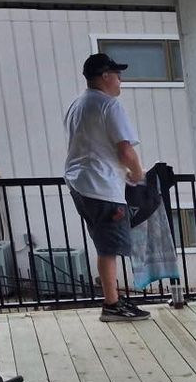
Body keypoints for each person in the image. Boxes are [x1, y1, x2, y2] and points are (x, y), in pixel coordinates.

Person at [63, 52, 150, 321]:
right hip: (102, 185)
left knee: (104, 244)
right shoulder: (108, 106)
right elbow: (125, 150)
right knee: (109, 247)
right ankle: (112, 305)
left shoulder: (78, 105)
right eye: (117, 75)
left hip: (80, 182)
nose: (120, 80)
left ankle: (113, 301)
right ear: (104, 76)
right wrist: (137, 174)